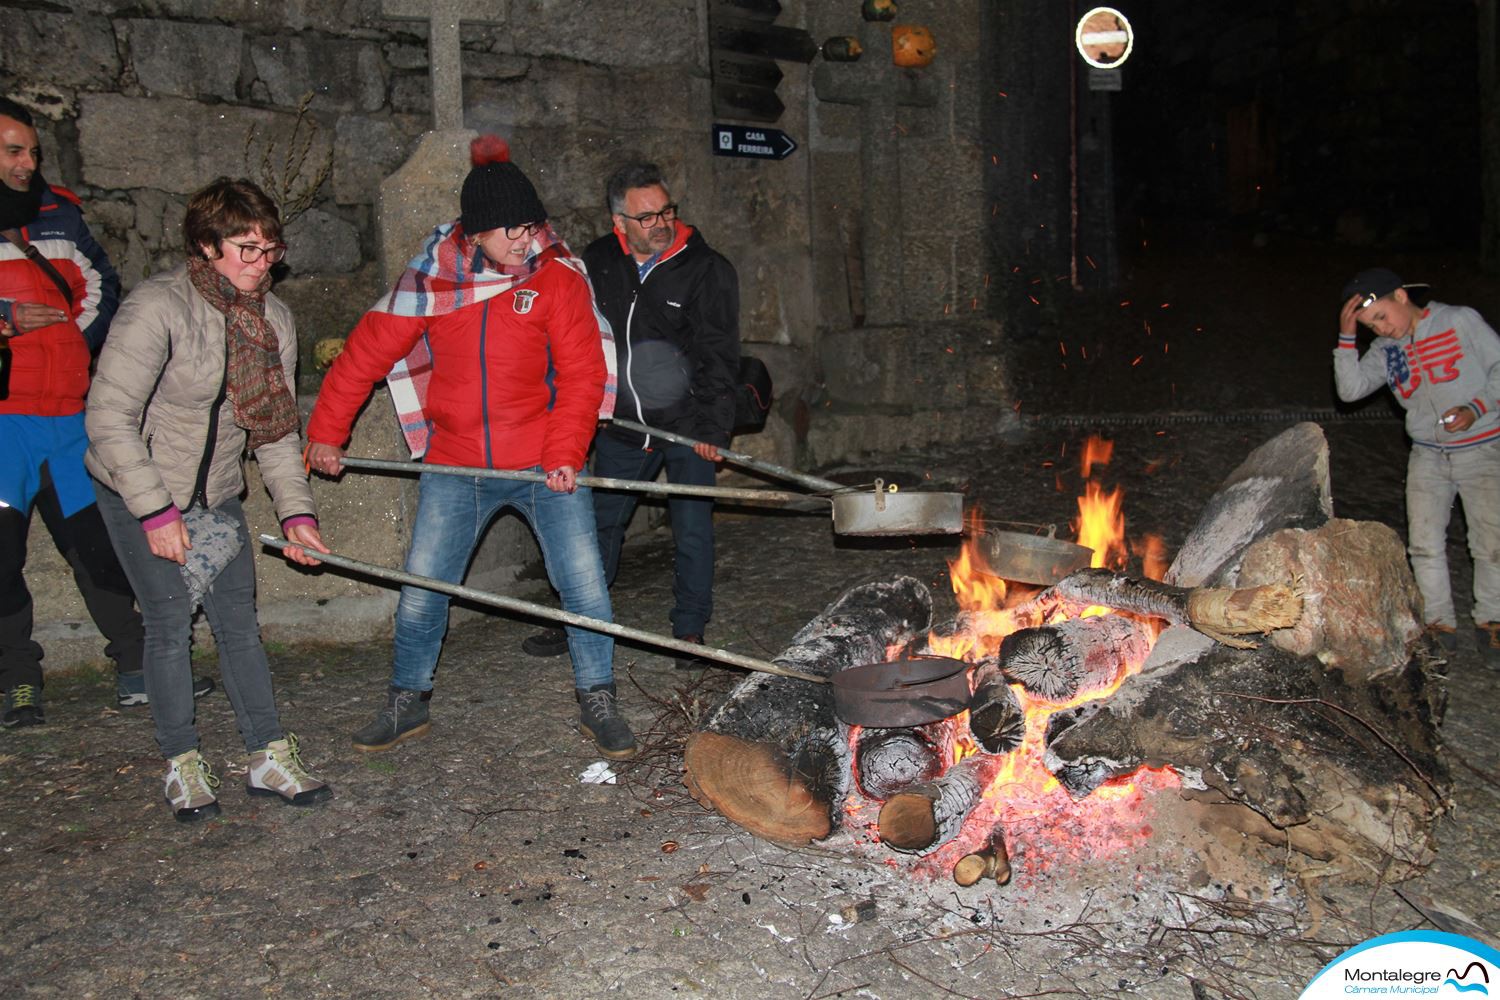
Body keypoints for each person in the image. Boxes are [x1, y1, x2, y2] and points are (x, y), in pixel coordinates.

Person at [304, 136, 636, 760]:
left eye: (532, 226)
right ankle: (409, 700)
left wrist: (565, 453)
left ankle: (598, 696)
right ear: (475, 233)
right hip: (455, 465)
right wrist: (325, 432)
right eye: (511, 230)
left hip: (542, 462)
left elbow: (582, 376)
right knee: (424, 589)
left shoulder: (556, 281)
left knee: (585, 588)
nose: (525, 239)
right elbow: (363, 355)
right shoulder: (432, 282)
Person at [85, 176, 332, 822]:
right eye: (245, 248)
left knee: (238, 622)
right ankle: (181, 763)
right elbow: (109, 418)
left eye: (269, 249)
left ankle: (268, 754)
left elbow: (275, 431)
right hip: (135, 485)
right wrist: (157, 512)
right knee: (168, 623)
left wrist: (297, 514)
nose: (260, 263)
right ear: (205, 245)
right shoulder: (158, 308)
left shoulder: (272, 320)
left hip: (216, 491)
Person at [0, 97, 212, 728]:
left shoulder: (58, 214)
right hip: (3, 426)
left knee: (99, 550)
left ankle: (136, 667)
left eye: (33, 150)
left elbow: (102, 287)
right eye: (13, 150)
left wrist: (71, 336)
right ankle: (16, 681)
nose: (27, 162)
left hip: (68, 419)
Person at [522, 162, 740, 668]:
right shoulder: (597, 261)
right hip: (620, 422)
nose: (660, 223)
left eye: (666, 211)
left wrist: (713, 429)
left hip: (687, 424)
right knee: (599, 524)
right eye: (646, 217)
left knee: (691, 526)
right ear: (618, 221)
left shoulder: (707, 269)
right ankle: (579, 618)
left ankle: (689, 629)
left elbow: (719, 353)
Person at [1335, 266, 1500, 666]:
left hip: (1480, 449)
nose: (1381, 329)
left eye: (1381, 317)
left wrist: (1476, 408)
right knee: (1425, 545)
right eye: (1370, 326)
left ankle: (1493, 622)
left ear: (1401, 297)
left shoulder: (1458, 321)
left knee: (1490, 544)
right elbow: (1350, 389)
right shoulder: (1386, 351)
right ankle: (1439, 625)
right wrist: (1347, 336)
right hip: (1427, 454)